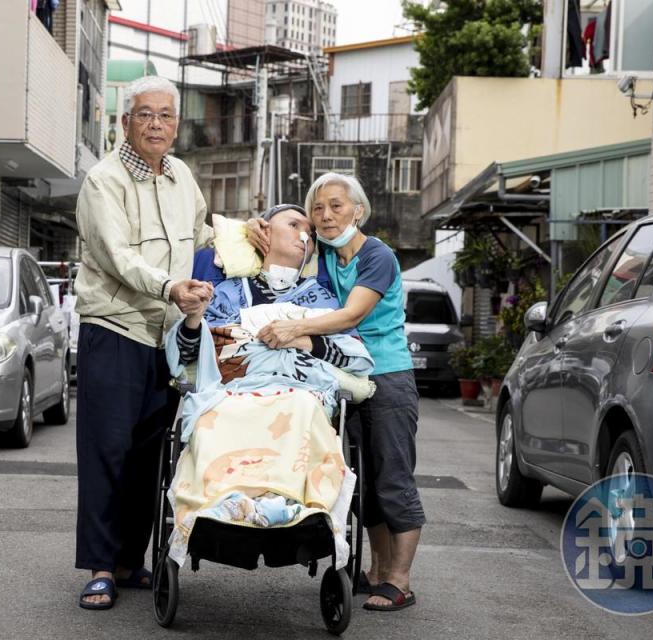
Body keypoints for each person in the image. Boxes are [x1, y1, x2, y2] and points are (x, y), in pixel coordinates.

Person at [163, 203, 374, 567]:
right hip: (233, 391)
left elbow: (354, 356)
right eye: (292, 224)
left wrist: (306, 340)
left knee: (303, 409)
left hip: (300, 392)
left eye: (308, 230)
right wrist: (196, 319)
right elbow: (187, 356)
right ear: (264, 233)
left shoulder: (321, 298)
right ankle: (221, 499)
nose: (304, 234)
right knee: (217, 412)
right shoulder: (225, 292)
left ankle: (292, 502)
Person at [251, 173, 424, 613]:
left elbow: (352, 313)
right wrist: (255, 226)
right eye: (318, 209)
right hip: (343, 377)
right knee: (363, 482)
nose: (326, 216)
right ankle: (377, 572)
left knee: (393, 477)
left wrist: (298, 327)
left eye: (336, 206)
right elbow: (278, 242)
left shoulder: (377, 255)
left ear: (358, 211)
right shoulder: (324, 253)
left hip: (387, 376)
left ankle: (400, 581)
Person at [73, 75, 213, 611]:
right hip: (114, 329)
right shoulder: (103, 180)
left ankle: (132, 562)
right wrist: (169, 285)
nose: (157, 124)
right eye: (146, 114)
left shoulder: (181, 176)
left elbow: (200, 235)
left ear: (176, 125)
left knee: (150, 459)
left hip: (169, 336)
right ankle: (101, 568)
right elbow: (114, 255)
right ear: (125, 121)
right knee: (106, 452)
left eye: (166, 116)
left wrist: (244, 234)